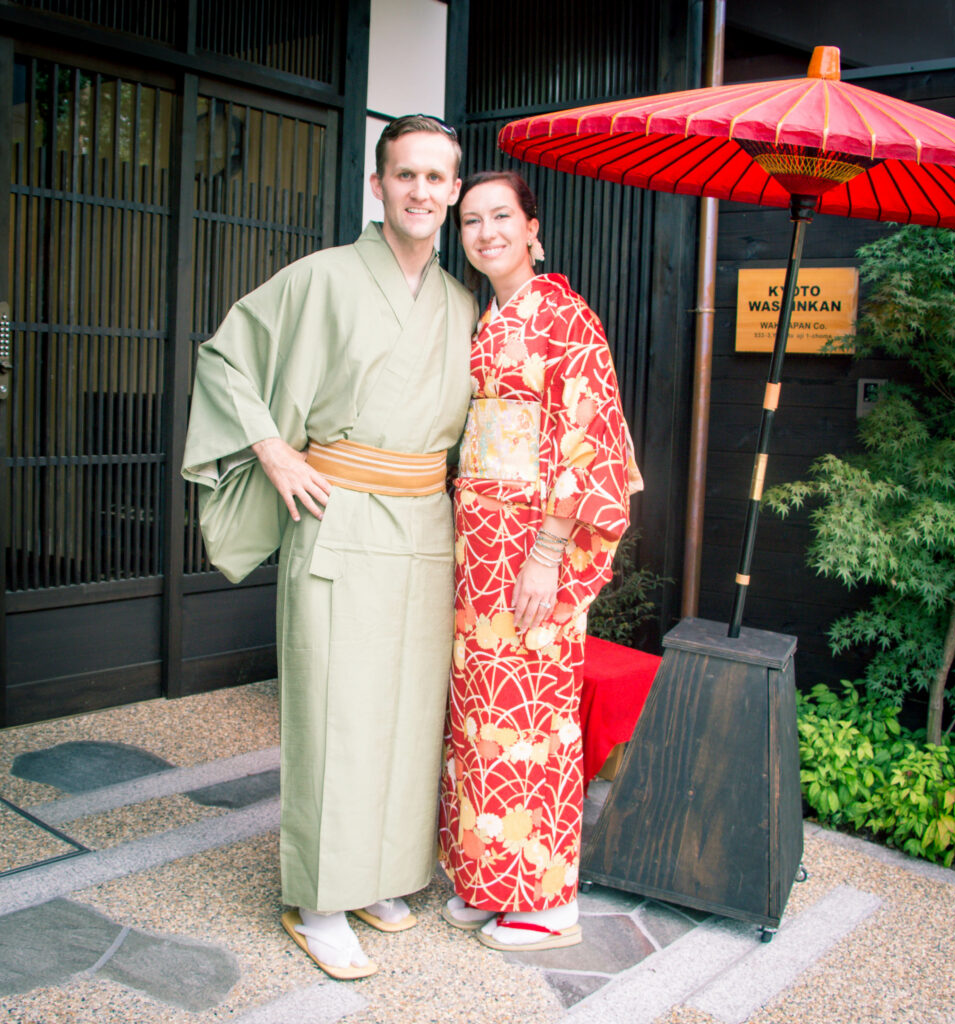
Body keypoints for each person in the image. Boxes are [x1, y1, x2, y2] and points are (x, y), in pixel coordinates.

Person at [182, 115, 478, 979]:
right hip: (339, 511)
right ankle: (318, 899)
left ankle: (382, 875)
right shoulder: (320, 278)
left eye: (436, 177)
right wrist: (273, 449)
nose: (421, 191)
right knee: (335, 709)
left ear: (454, 191)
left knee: (411, 706)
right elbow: (224, 359)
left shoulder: (462, 304)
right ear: (378, 186)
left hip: (426, 521)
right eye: (405, 175)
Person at [437, 171, 642, 951]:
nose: (485, 232)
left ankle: (549, 898)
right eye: (471, 222)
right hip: (478, 546)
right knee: (482, 719)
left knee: (532, 720)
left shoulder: (565, 315)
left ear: (532, 229)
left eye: (500, 218)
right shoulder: (488, 318)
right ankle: (490, 880)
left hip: (532, 547)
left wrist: (549, 554)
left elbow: (595, 445)